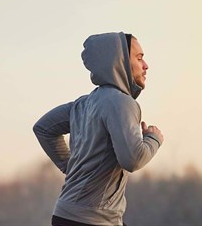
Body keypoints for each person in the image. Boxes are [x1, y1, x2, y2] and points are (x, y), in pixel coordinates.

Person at [33, 32, 164, 226]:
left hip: (66, 214)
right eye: (139, 58)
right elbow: (133, 159)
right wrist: (153, 139)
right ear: (120, 62)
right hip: (91, 220)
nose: (146, 65)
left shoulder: (83, 104)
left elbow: (43, 128)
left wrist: (72, 167)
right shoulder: (121, 102)